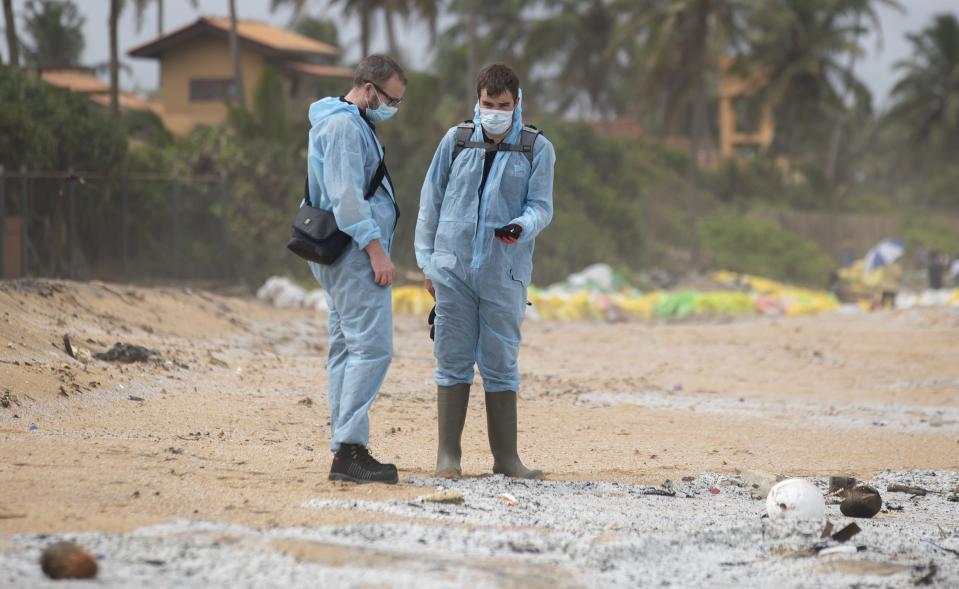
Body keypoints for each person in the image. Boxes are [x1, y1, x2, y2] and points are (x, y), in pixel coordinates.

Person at [415, 63, 556, 479]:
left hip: (504, 273)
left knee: (500, 362)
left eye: (503, 105)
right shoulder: (456, 141)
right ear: (477, 102)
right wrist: (427, 263)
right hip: (452, 269)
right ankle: (448, 457)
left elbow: (542, 207)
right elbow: (430, 203)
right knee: (451, 358)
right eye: (488, 104)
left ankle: (507, 459)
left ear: (517, 103)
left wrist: (522, 226)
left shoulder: (536, 148)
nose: (495, 111)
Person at [305, 55, 406, 484]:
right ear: (368, 89)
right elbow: (347, 196)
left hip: (339, 255)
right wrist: (376, 250)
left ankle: (345, 447)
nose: (392, 109)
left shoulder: (336, 121)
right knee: (372, 348)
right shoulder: (346, 126)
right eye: (390, 99)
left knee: (345, 349)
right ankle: (349, 449)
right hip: (353, 254)